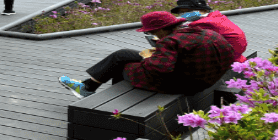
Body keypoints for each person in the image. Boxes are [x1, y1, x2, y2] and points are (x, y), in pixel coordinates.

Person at [58, 11, 233, 98]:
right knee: (122, 54)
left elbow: (158, 69)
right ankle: (88, 87)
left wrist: (149, 57)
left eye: (154, 32)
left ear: (162, 29)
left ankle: (111, 101)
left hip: (185, 85)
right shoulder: (203, 33)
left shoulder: (170, 41)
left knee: (122, 65)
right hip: (206, 76)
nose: (154, 36)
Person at [170, 0, 248, 63]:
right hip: (237, 54)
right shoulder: (216, 16)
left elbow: (182, 37)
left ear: (203, 10)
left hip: (226, 58)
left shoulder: (202, 23)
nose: (184, 14)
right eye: (181, 12)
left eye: (188, 11)